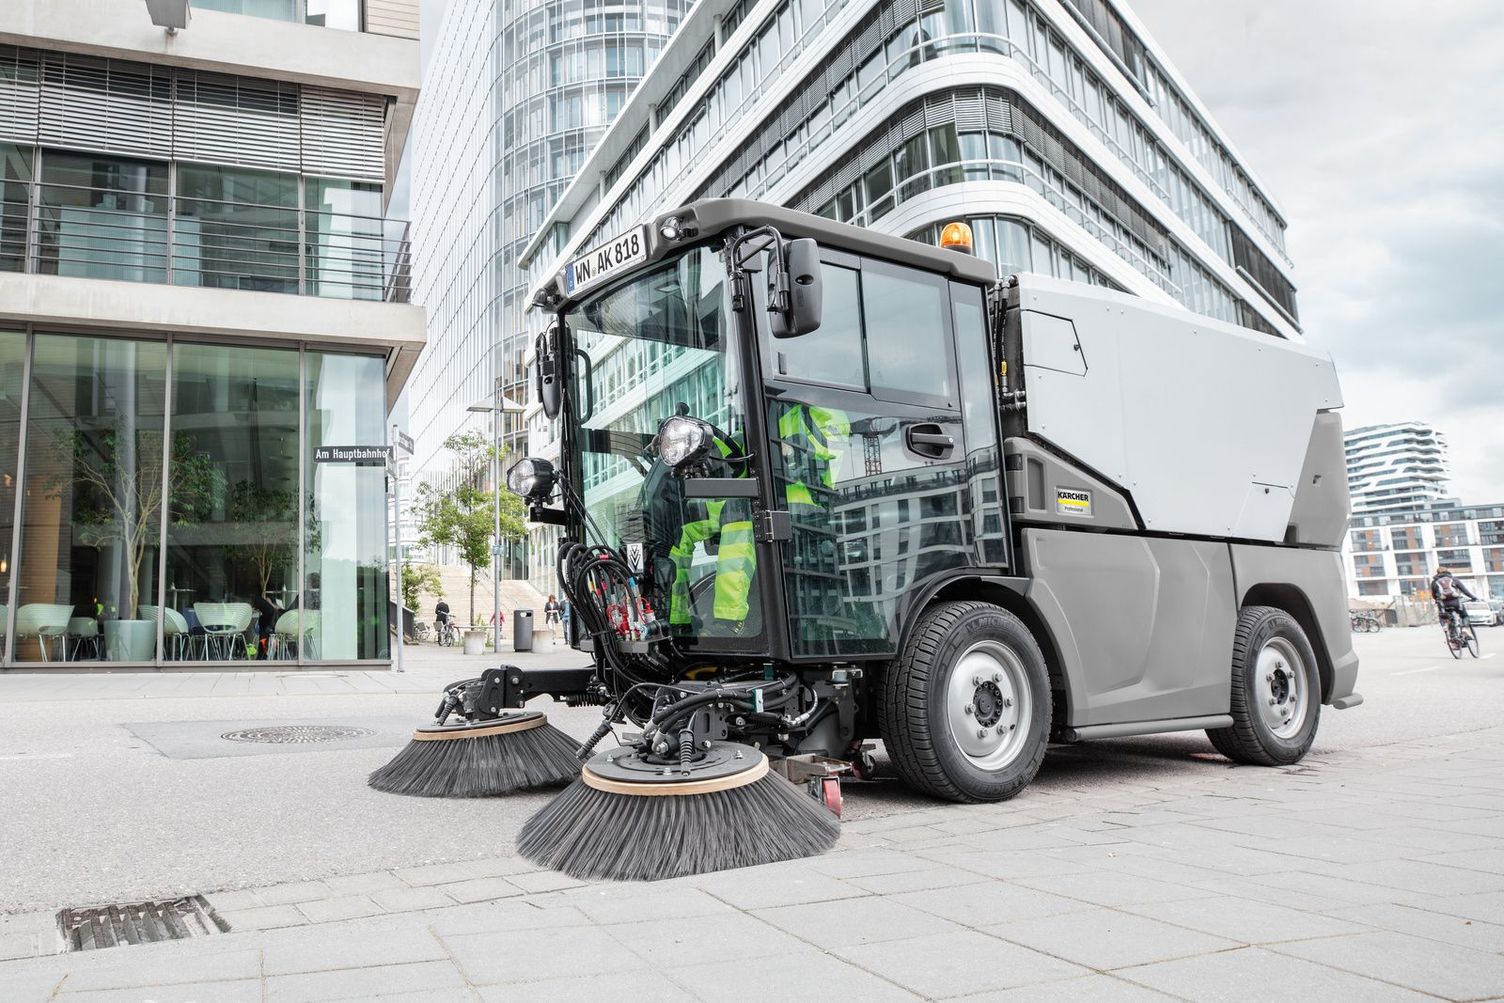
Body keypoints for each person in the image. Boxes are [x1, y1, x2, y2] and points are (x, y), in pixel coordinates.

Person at [1432, 566, 1477, 636]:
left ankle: (1446, 627)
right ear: (1447, 571)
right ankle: (1465, 628)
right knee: (1464, 615)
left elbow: (1434, 595)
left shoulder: (1434, 582)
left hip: (1443, 604)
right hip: (1456, 602)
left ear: (1437, 573)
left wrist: (1436, 600)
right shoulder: (1453, 579)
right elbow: (1464, 591)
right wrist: (1473, 597)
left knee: (1443, 616)